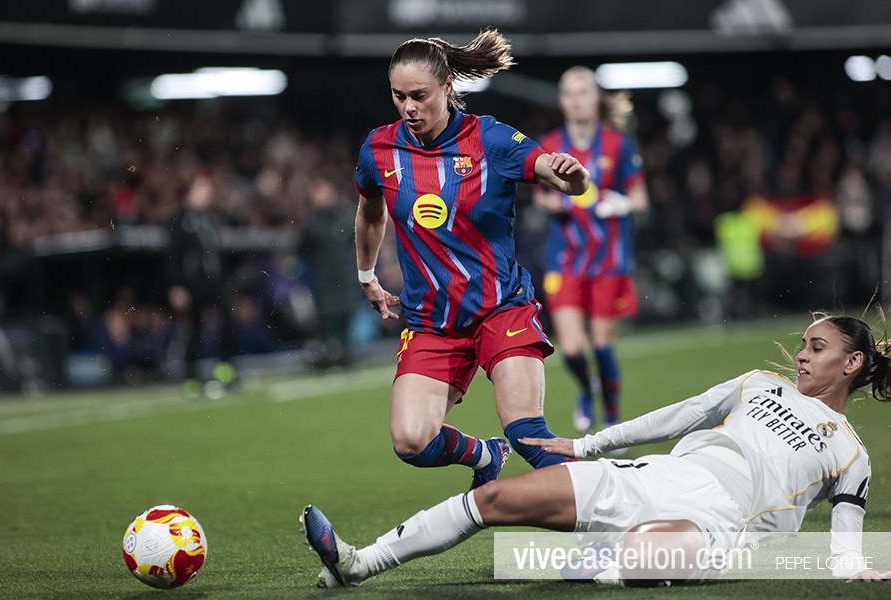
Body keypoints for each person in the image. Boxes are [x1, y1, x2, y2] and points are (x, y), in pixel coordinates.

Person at [302, 312, 890, 586]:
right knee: (496, 500)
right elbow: (679, 415)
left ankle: (612, 557)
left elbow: (845, 535)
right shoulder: (758, 384)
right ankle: (360, 563)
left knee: (641, 555)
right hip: (656, 475)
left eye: (817, 348)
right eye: (804, 344)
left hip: (724, 519)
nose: (802, 354)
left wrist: (854, 566)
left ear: (853, 363)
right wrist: (589, 445)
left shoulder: (851, 454)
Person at [354, 30, 591, 489]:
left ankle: (609, 509)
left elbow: (561, 178)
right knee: (410, 441)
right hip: (433, 322)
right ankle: (485, 455)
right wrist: (367, 275)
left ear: (447, 87)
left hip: (500, 309)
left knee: (529, 436)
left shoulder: (491, 139)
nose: (408, 108)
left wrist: (575, 178)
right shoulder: (378, 150)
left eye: (419, 96)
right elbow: (369, 212)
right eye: (399, 96)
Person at [532, 66, 649, 433]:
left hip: (609, 261)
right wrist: (553, 203)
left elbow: (640, 199)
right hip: (565, 259)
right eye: (569, 93)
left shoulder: (617, 144)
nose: (576, 100)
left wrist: (621, 203)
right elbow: (539, 196)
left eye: (583, 92)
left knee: (602, 346)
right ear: (561, 101)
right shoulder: (550, 143)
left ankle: (612, 419)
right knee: (570, 349)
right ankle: (587, 388)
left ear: (597, 99)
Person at [165, 171, 236, 395]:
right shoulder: (179, 221)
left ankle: (226, 371)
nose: (207, 193)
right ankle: (191, 378)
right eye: (201, 188)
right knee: (193, 330)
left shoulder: (209, 218)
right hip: (193, 283)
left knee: (227, 323)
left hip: (214, 280)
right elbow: (173, 256)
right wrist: (176, 286)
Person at [298, 177, 360, 368]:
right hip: (324, 281)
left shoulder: (344, 216)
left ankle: (345, 354)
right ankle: (329, 356)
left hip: (345, 278)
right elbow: (303, 251)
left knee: (346, 317)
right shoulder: (311, 224)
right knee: (327, 319)